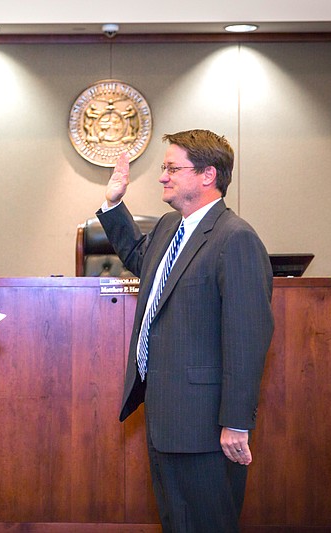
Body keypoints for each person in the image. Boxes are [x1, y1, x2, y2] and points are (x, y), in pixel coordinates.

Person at [96, 129, 274, 532]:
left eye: (173, 168)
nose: (163, 176)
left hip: (206, 427)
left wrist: (235, 421)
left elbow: (247, 340)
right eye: (164, 168)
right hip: (164, 417)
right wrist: (113, 203)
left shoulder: (236, 238)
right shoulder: (168, 227)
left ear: (208, 174)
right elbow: (139, 259)